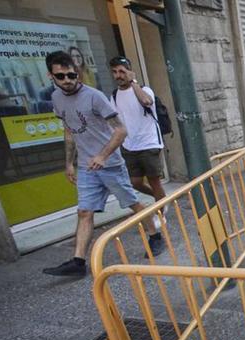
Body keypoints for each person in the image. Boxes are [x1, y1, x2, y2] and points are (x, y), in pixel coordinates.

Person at [42, 51, 163, 277]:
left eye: (71, 74)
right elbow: (68, 130)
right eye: (61, 76)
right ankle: (78, 262)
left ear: (77, 72)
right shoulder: (57, 99)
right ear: (51, 76)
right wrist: (69, 163)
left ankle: (155, 235)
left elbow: (120, 130)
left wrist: (103, 156)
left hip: (110, 164)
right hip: (87, 167)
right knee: (84, 212)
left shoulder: (94, 96)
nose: (67, 80)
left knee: (132, 203)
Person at [109, 56, 166, 208]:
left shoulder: (144, 90)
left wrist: (133, 82)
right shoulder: (114, 95)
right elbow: (114, 121)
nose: (118, 75)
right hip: (129, 145)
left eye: (122, 71)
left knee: (154, 180)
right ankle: (161, 198)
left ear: (130, 71)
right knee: (135, 182)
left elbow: (147, 101)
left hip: (149, 143)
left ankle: (161, 209)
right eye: (114, 72)